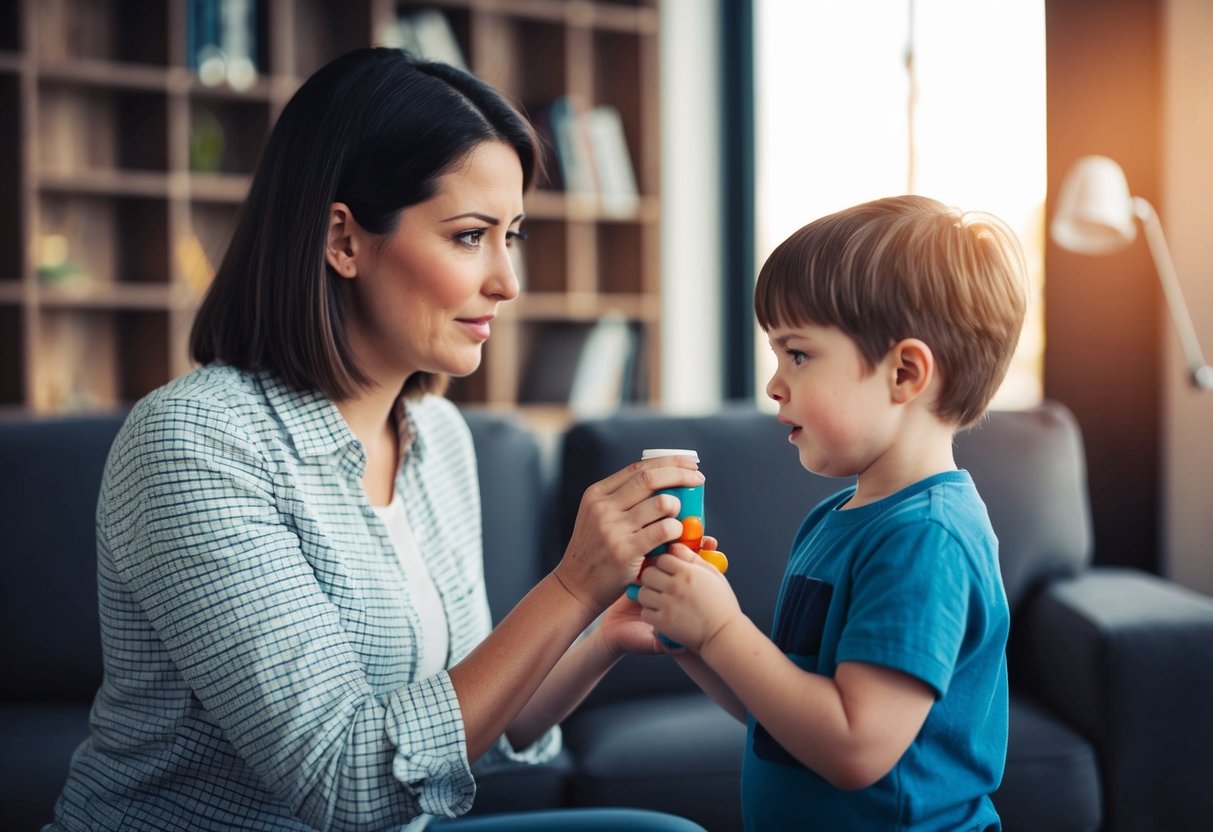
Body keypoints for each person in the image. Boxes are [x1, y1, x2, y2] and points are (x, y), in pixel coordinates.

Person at [45, 47, 706, 832]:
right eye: (469, 236)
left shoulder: (437, 436)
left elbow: (475, 735)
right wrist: (567, 584)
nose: (507, 281)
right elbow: (347, 783)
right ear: (344, 240)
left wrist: (595, 630)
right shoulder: (196, 443)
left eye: (512, 236)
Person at [637, 195, 1028, 830]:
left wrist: (722, 630)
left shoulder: (925, 538)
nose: (773, 383)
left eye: (797, 354)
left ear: (903, 373)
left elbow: (854, 747)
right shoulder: (833, 521)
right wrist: (690, 636)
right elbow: (781, 715)